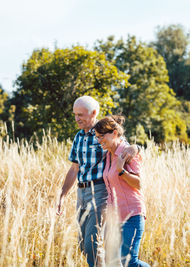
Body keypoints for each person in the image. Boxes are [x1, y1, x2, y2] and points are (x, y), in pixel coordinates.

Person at [56, 96, 139, 267]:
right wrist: (62, 195)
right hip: (81, 193)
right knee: (83, 244)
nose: (76, 118)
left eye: (80, 114)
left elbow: (126, 146)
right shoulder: (78, 137)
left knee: (91, 243)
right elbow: (74, 169)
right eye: (75, 114)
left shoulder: (103, 133)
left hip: (100, 192)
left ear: (94, 113)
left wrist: (136, 148)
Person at [94, 115, 149, 267]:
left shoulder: (127, 152)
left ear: (115, 133)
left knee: (130, 262)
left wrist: (121, 171)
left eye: (102, 136)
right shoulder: (107, 155)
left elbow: (139, 183)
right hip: (115, 218)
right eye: (97, 137)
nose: (99, 141)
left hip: (132, 214)